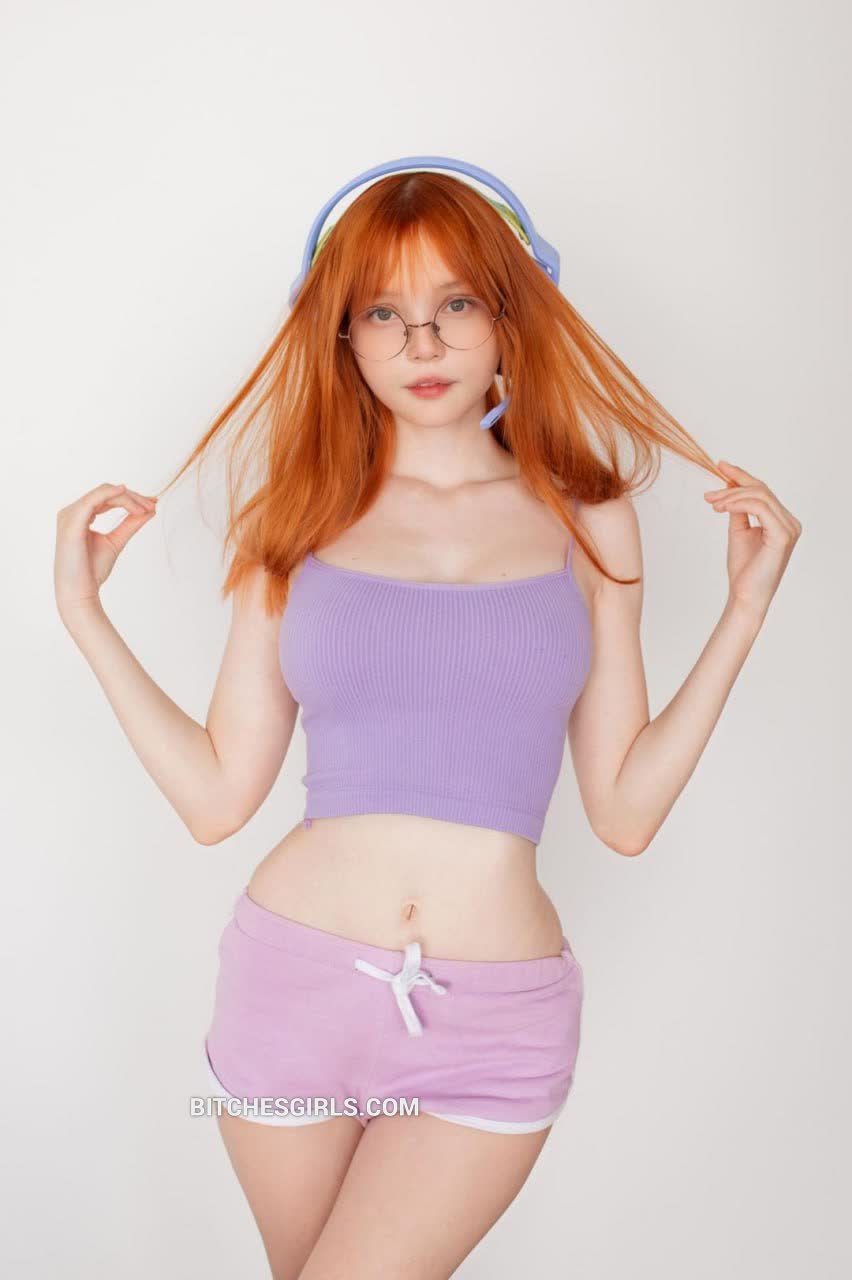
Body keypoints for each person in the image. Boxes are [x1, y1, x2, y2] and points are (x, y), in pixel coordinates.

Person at [53, 170, 801, 1280]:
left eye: (455, 303)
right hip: (290, 990)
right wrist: (83, 613)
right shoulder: (295, 522)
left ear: (509, 315)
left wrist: (744, 611)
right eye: (383, 313)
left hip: (493, 1024)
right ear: (344, 338)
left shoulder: (589, 519)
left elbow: (626, 811)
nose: (423, 342)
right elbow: (217, 796)